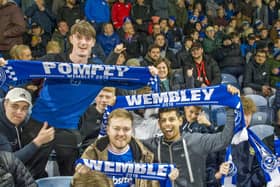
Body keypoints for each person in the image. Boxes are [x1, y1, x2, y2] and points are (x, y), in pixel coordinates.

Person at [0, 20, 158, 179]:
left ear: (93, 42)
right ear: (71, 39)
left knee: (72, 176)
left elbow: (128, 79)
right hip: (38, 122)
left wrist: (147, 73)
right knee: (27, 174)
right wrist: (6, 66)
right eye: (79, 37)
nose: (83, 42)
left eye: (88, 39)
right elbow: (26, 71)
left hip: (68, 128)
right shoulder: (54, 60)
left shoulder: (98, 72)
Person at [143, 85, 239, 187]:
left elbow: (224, 139)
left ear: (179, 120)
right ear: (159, 124)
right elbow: (129, 142)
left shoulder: (196, 139)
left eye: (171, 119)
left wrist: (230, 106)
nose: (167, 124)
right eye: (163, 120)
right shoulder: (153, 144)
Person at [74, 108, 178, 187]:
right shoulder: (92, 153)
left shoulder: (144, 154)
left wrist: (167, 177)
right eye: (116, 128)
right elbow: (76, 184)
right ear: (108, 130)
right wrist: (83, 176)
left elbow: (153, 184)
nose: (121, 133)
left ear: (132, 131)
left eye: (126, 129)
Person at [0, 88, 54, 163]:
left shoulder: (26, 119)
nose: (19, 112)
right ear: (6, 104)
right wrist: (38, 141)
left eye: (24, 108)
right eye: (15, 106)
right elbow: (7, 163)